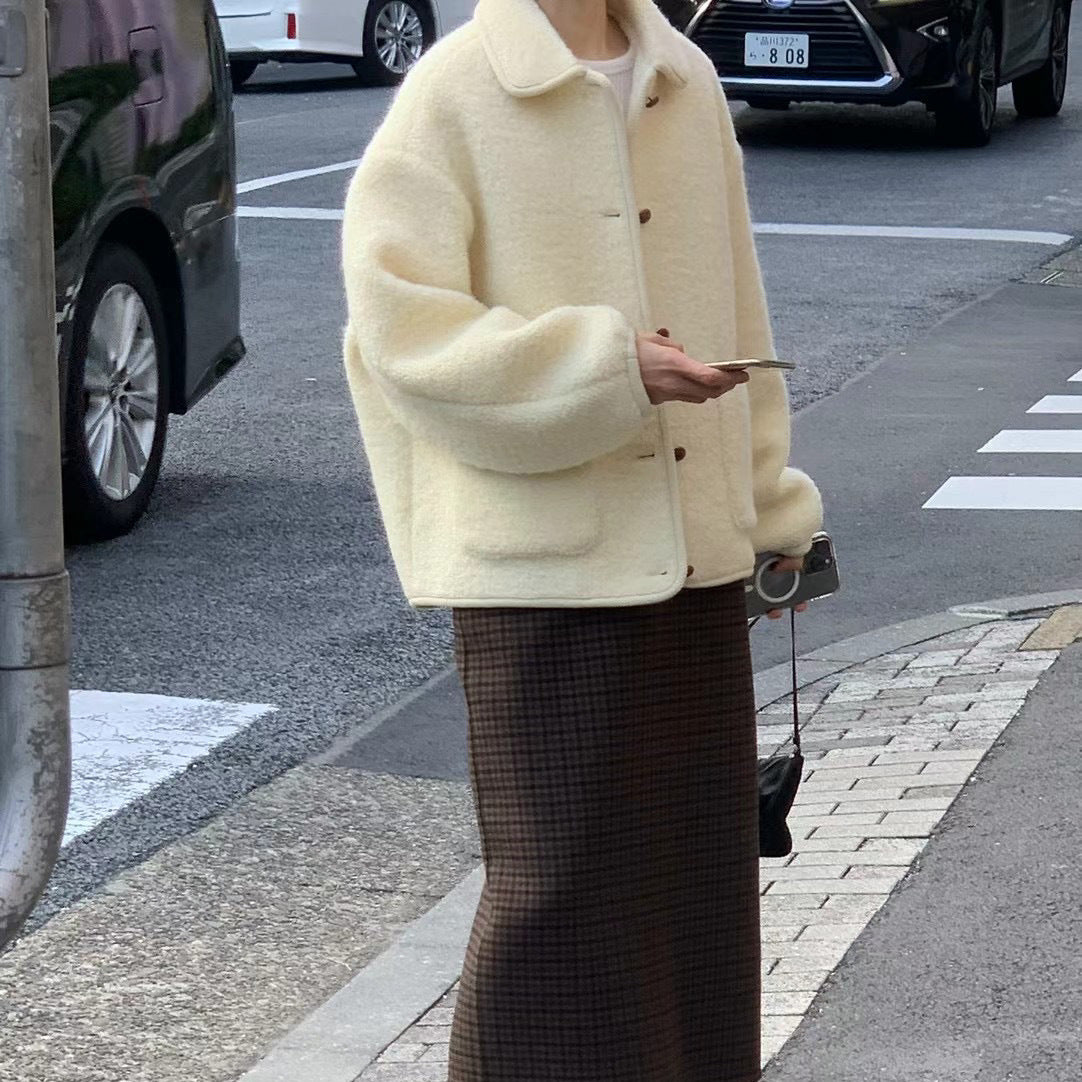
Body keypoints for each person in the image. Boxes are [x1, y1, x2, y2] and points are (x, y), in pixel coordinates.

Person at [340, 0, 823, 1078]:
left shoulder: (684, 79)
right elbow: (395, 328)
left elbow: (741, 322)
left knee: (696, 908)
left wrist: (774, 509)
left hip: (694, 567)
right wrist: (605, 367)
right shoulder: (458, 88)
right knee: (557, 915)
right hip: (540, 577)